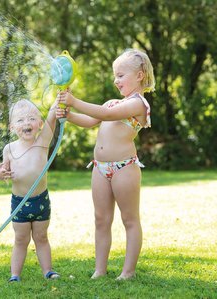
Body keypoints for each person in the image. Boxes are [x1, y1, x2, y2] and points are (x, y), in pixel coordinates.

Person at [56, 48, 155, 280]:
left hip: (124, 168)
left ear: (139, 75)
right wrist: (68, 114)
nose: (115, 80)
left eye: (121, 75)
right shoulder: (112, 103)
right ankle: (99, 270)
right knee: (101, 219)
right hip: (99, 168)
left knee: (129, 220)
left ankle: (127, 272)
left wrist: (74, 100)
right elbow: (91, 120)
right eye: (115, 76)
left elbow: (107, 115)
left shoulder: (138, 104)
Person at [0, 98, 61, 282]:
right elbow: (0, 172)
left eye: (31, 119)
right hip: (19, 202)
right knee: (21, 239)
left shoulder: (42, 142)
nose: (26, 123)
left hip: (40, 201)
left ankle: (48, 271)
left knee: (41, 237)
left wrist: (59, 99)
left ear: (39, 124)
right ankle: (15, 275)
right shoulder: (9, 149)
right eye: (20, 120)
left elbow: (52, 115)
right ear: (12, 127)